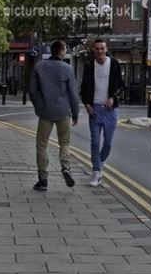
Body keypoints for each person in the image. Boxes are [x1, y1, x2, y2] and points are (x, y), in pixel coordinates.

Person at [28, 40, 79, 191]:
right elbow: (74, 94)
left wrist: (38, 105)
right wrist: (75, 113)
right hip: (64, 112)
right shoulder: (68, 68)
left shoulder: (39, 66)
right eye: (65, 50)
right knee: (65, 142)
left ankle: (43, 180)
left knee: (41, 145)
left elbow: (32, 90)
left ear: (51, 50)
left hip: (45, 112)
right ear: (62, 51)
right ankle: (65, 167)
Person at [79, 38, 125, 187]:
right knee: (95, 141)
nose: (99, 51)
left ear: (106, 49)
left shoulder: (114, 64)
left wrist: (112, 97)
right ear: (93, 50)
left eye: (102, 48)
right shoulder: (89, 66)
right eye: (97, 49)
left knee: (108, 143)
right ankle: (97, 172)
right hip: (94, 109)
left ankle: (99, 161)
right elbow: (84, 87)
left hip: (110, 110)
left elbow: (120, 85)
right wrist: (87, 104)